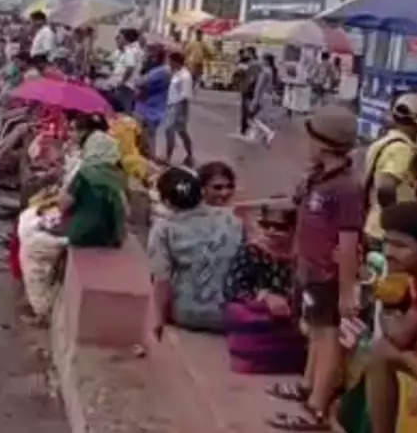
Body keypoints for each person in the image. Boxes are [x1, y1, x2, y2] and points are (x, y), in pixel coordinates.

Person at [264, 105, 363, 430]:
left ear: (323, 143)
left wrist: (347, 292)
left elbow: (348, 244)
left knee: (326, 336)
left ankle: (316, 407)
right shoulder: (319, 178)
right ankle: (307, 385)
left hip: (328, 275)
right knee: (314, 332)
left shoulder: (346, 188)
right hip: (310, 268)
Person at [360, 202, 417, 433]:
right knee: (380, 350)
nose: (389, 252)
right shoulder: (415, 275)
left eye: (400, 246)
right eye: (386, 243)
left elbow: (400, 334)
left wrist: (391, 311)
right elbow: (407, 330)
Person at [148, 167, 244, 335]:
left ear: (167, 201)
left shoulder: (164, 228)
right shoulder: (232, 218)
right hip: (228, 314)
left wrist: (158, 320)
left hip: (186, 314)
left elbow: (161, 279)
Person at [223, 204, 306, 374]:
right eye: (266, 225)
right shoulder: (251, 251)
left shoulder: (303, 257)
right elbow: (232, 287)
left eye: (280, 227)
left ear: (294, 229)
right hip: (260, 317)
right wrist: (265, 297)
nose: (271, 231)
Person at [364, 94, 417, 249]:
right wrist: (396, 225)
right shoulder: (402, 149)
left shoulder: (383, 142)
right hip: (386, 232)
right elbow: (386, 187)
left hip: (373, 224)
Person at [51, 113, 127, 248]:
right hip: (114, 237)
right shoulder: (119, 175)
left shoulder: (85, 173)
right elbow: (126, 210)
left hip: (84, 236)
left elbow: (62, 205)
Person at [135, 44, 171, 160]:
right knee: (147, 134)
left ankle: (150, 157)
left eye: (150, 54)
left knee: (148, 134)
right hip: (152, 106)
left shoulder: (160, 71)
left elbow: (140, 82)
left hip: (151, 107)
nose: (148, 56)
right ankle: (149, 156)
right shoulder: (162, 70)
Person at [164, 51, 196, 167]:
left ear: (176, 62)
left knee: (170, 130)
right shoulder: (176, 74)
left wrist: (177, 111)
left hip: (178, 107)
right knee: (181, 132)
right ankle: (189, 155)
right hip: (172, 105)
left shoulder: (185, 76)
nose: (169, 64)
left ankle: (169, 157)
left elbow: (185, 95)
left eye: (170, 61)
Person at [247, 53, 280, 146]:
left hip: (263, 97)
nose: (261, 61)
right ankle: (255, 136)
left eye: (263, 59)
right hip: (268, 96)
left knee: (255, 118)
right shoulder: (272, 71)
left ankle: (268, 132)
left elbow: (259, 87)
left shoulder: (265, 72)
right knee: (262, 118)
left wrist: (255, 100)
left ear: (266, 61)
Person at [108, 28, 144, 112]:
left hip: (125, 85)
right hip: (130, 85)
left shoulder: (130, 50)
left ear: (125, 38)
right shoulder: (137, 50)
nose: (119, 39)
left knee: (121, 109)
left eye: (121, 37)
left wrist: (122, 82)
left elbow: (130, 68)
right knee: (125, 109)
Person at [234, 48, 261, 137]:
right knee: (247, 109)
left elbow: (250, 77)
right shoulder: (256, 63)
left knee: (246, 109)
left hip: (248, 88)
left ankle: (246, 128)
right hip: (251, 89)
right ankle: (245, 127)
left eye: (247, 53)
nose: (246, 54)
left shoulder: (252, 64)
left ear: (250, 53)